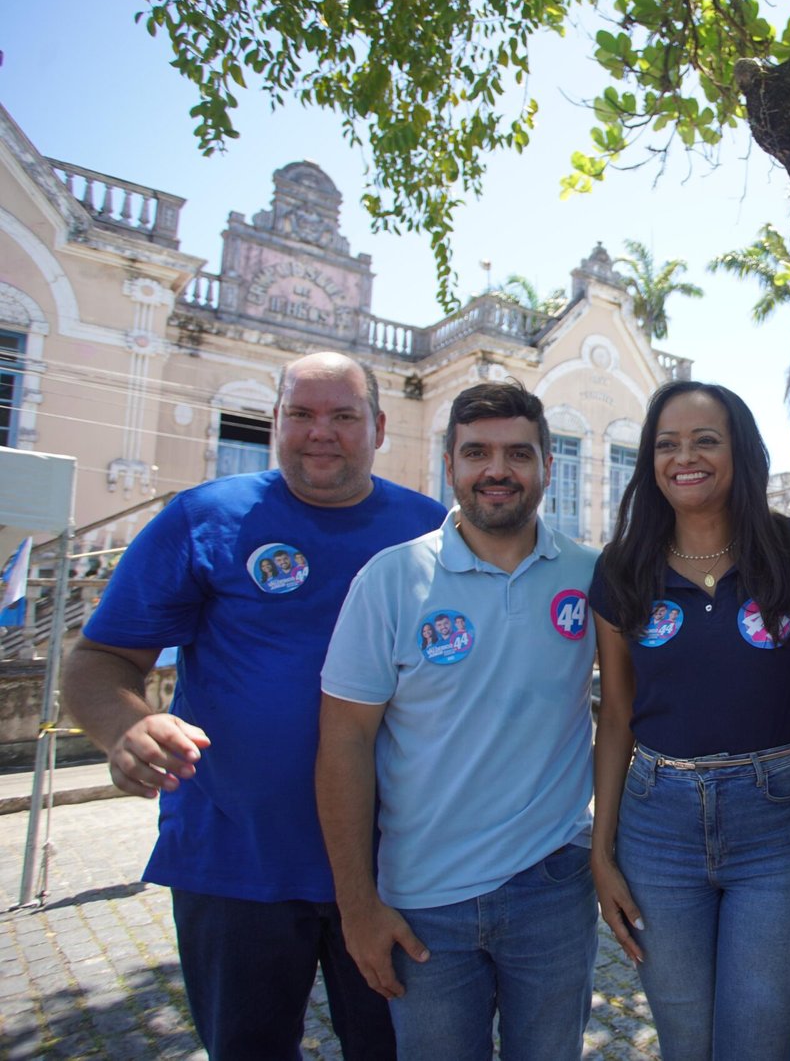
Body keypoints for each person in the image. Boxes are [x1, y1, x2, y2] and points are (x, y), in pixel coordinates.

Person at [62, 351, 444, 1060]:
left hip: (401, 865)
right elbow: (98, 659)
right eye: (300, 413)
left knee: (401, 1050)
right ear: (275, 422)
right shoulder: (205, 518)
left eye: (342, 415)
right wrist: (126, 726)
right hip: (237, 861)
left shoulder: (434, 533)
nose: (319, 431)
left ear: (380, 427)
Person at [317, 381, 598, 1061]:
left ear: (546, 467)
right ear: (450, 464)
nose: (497, 470)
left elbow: (625, 714)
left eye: (517, 454)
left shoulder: (593, 576)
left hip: (554, 889)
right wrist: (357, 906)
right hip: (423, 904)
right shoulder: (389, 580)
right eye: (476, 452)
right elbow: (344, 742)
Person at [589, 381, 790, 1060]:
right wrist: (602, 852)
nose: (683, 456)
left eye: (704, 439)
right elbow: (617, 719)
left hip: (778, 825)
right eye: (667, 443)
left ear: (739, 451)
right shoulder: (623, 568)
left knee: (758, 1043)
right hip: (656, 828)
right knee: (687, 1043)